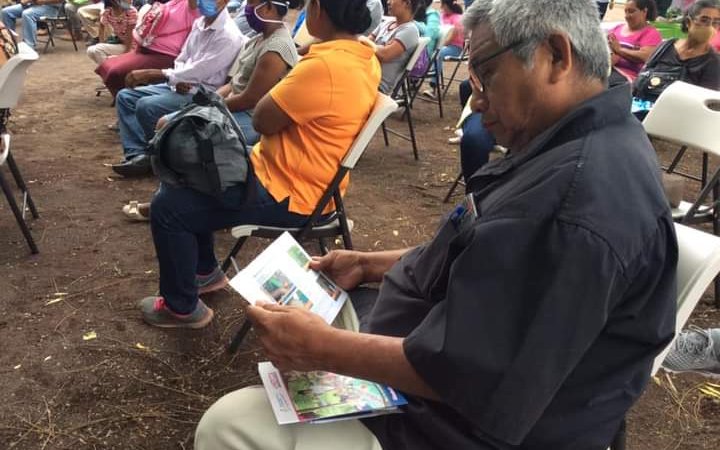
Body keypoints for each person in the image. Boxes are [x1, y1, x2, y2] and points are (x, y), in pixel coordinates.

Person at [194, 0, 678, 449]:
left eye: (486, 76)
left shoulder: (572, 207)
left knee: (230, 422)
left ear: (555, 55)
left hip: (448, 427)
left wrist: (323, 349)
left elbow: (475, 376)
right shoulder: (575, 140)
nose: (479, 101)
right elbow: (488, 253)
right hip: (434, 350)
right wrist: (370, 264)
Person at [137, 0, 380, 329]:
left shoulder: (323, 66)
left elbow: (264, 120)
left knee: (168, 207)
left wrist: (301, 67)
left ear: (320, 9)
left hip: (290, 192)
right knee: (197, 172)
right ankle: (205, 271)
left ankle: (181, 308)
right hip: (307, 179)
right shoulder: (362, 56)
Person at [110, 0, 245, 177]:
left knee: (146, 106)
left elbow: (200, 71)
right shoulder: (200, 23)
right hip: (182, 84)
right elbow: (182, 57)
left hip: (201, 93)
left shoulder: (228, 35)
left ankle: (162, 157)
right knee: (125, 97)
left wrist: (161, 74)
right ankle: (138, 155)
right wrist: (177, 78)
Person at [95, 0, 199, 97]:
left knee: (114, 72)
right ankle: (124, 98)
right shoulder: (172, 3)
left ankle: (127, 99)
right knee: (107, 65)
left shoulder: (191, 6)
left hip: (164, 54)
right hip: (145, 49)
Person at [635, 1, 720, 102]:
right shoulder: (667, 46)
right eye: (704, 20)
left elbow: (705, 102)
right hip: (643, 103)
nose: (709, 27)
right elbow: (642, 77)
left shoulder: (713, 62)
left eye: (715, 22)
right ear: (689, 22)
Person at [370, 0, 420, 94]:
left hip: (379, 85)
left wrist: (370, 44)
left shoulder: (410, 30)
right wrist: (380, 47)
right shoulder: (386, 23)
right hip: (367, 75)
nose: (388, 2)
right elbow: (365, 42)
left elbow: (385, 55)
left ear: (407, 3)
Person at [608, 0, 663, 83]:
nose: (627, 16)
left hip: (629, 78)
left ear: (644, 11)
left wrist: (620, 50)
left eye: (631, 11)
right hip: (609, 70)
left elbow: (646, 56)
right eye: (625, 11)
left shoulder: (651, 33)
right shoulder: (617, 28)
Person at [423, 0, 464, 98]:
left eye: (443, 5)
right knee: (427, 51)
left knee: (438, 54)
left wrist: (439, 45)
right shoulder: (442, 16)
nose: (441, 7)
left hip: (454, 48)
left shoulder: (458, 18)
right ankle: (415, 79)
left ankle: (433, 87)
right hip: (441, 45)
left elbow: (451, 37)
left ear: (447, 5)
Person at [86, 0, 138, 65]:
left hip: (132, 45)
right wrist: (101, 42)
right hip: (121, 43)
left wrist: (126, 53)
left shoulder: (131, 12)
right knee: (90, 51)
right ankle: (112, 69)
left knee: (97, 50)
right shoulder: (108, 11)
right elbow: (101, 27)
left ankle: (111, 70)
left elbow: (130, 34)